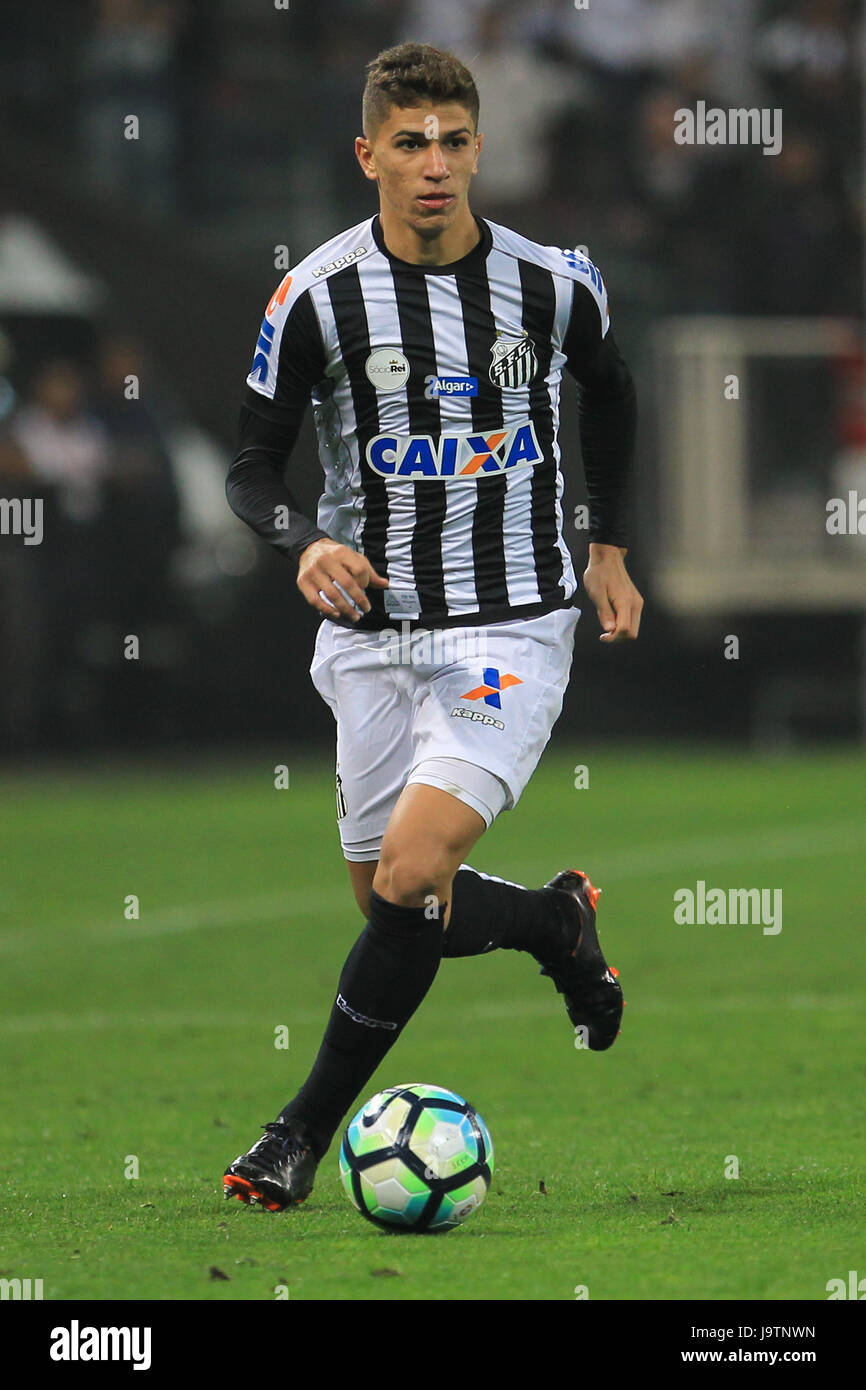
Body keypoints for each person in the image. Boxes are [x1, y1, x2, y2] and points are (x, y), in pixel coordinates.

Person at [223, 42, 642, 1211]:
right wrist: (300, 538)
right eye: (408, 143)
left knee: (410, 871)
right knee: (387, 901)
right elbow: (250, 466)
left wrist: (605, 547)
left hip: (509, 626)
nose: (434, 165)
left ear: (477, 149)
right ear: (368, 155)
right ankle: (556, 923)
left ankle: (298, 1132)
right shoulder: (315, 293)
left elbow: (610, 397)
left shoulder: (551, 283)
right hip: (371, 631)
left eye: (454, 140)